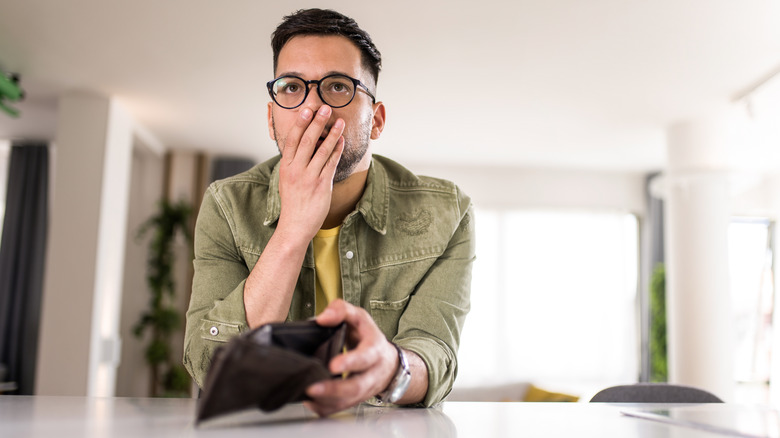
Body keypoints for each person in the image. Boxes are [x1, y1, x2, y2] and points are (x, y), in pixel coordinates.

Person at [183, 8, 474, 417]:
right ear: (271, 119)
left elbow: (435, 353)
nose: (312, 109)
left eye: (338, 86)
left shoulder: (448, 214)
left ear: (376, 120)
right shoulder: (226, 206)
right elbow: (209, 363)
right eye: (291, 87)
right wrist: (293, 229)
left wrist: (390, 368)